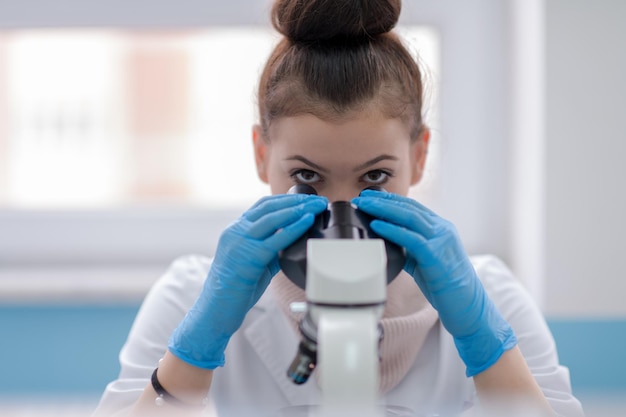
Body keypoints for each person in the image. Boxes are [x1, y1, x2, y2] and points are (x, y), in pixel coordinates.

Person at [93, 0, 584, 416]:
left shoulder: (491, 296)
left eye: (375, 177)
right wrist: (194, 352)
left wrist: (484, 343)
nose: (340, 213)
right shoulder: (188, 298)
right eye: (307, 178)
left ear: (419, 156)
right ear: (262, 155)